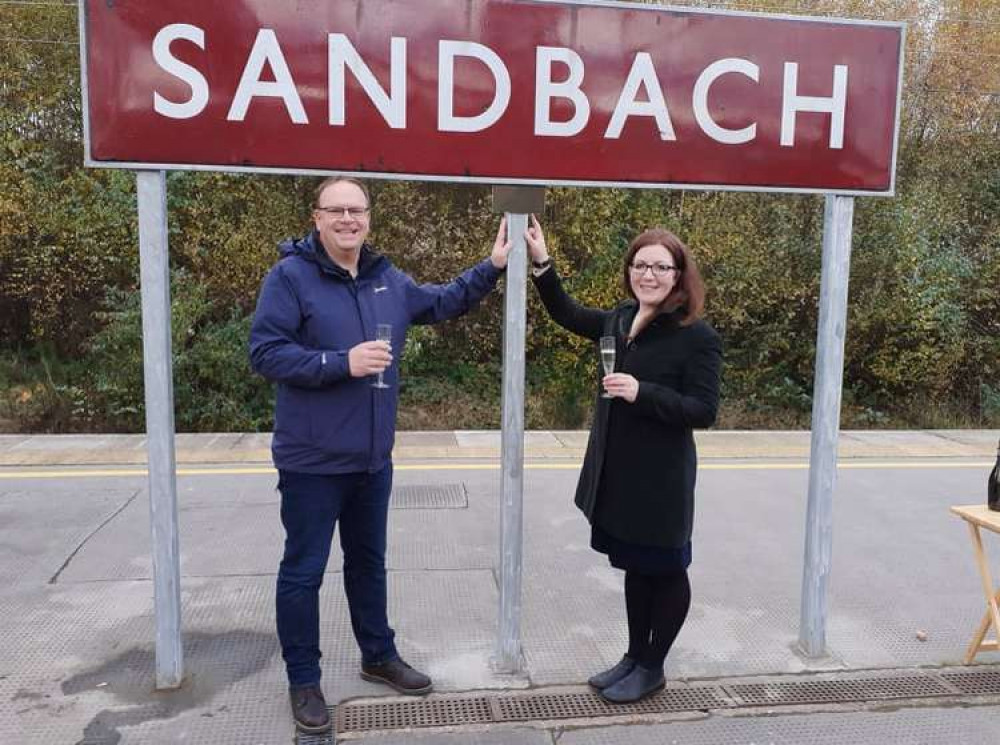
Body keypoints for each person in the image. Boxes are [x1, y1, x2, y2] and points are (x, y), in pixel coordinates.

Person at [249, 176, 511, 734]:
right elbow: (266, 353)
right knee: (304, 572)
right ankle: (303, 679)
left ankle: (378, 655)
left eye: (357, 210)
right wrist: (340, 362)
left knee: (369, 565)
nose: (348, 219)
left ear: (369, 217)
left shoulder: (385, 278)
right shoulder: (289, 277)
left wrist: (490, 267)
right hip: (312, 462)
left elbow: (441, 302)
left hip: (373, 460)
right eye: (336, 210)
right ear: (316, 218)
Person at [524, 215, 721, 704]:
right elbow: (567, 313)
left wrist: (643, 391)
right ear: (629, 270)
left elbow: (704, 410)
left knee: (667, 570)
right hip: (620, 471)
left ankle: (653, 666)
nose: (648, 275)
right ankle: (634, 655)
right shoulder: (619, 319)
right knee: (636, 566)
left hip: (662, 477)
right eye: (640, 265)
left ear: (679, 275)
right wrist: (542, 261)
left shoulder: (695, 336)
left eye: (660, 267)